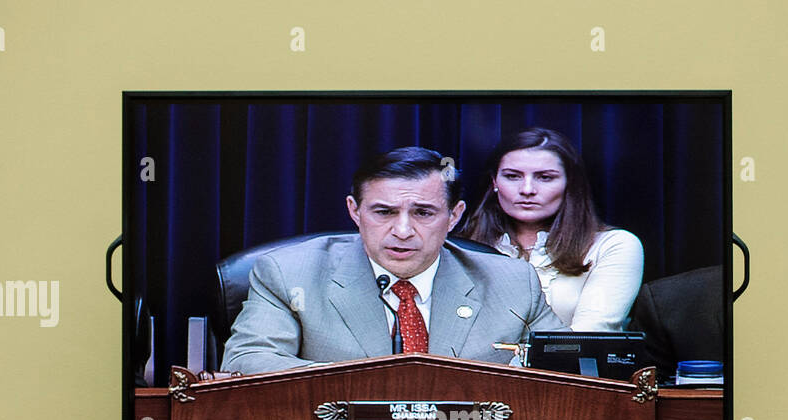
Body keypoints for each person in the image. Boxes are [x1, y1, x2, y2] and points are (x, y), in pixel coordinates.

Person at [221, 146, 566, 374]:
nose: (403, 230)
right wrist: (372, 386)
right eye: (384, 212)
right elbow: (248, 361)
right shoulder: (288, 273)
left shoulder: (513, 281)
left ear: (454, 216)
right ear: (354, 212)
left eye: (423, 212)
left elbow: (570, 367)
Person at [461, 127, 643, 333]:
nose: (527, 189)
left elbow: (591, 333)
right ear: (494, 182)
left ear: (569, 184)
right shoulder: (460, 246)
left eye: (545, 177)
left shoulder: (613, 245)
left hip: (569, 365)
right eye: (513, 176)